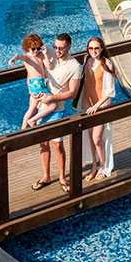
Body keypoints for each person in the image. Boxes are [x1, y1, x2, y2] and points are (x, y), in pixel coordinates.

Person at [31, 32, 82, 194]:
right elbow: (32, 51)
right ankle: (46, 176)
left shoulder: (74, 66)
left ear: (69, 47)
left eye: (61, 48)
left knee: (57, 145)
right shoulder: (50, 53)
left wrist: (51, 97)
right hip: (41, 105)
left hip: (56, 108)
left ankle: (62, 177)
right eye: (55, 47)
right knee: (43, 143)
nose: (57, 50)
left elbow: (72, 93)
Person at [79, 37, 115, 180]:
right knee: (90, 138)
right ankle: (94, 166)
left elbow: (110, 92)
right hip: (88, 107)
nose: (93, 51)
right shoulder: (86, 61)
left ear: (102, 48)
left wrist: (96, 106)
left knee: (97, 138)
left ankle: (103, 166)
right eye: (90, 48)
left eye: (96, 48)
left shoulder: (107, 64)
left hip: (100, 107)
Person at [9, 33, 57, 129]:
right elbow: (19, 56)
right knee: (53, 105)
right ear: (27, 48)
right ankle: (32, 121)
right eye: (33, 49)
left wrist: (45, 54)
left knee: (32, 110)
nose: (36, 51)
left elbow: (49, 67)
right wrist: (13, 59)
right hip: (36, 84)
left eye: (38, 48)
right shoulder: (27, 57)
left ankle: (22, 131)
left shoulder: (40, 55)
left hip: (38, 84)